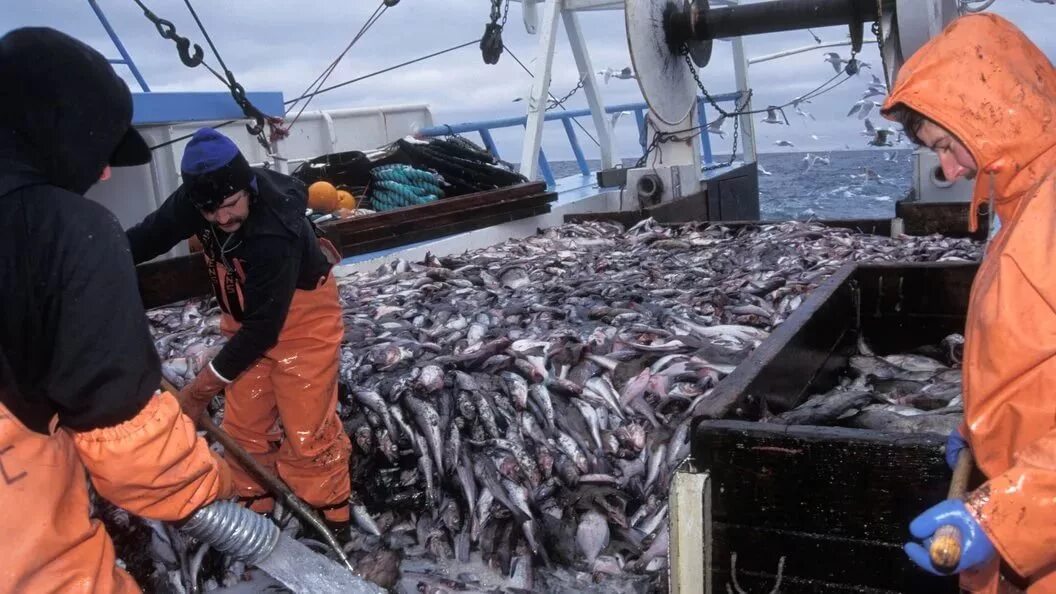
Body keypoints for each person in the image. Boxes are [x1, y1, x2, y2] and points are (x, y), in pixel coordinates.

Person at [0, 28, 233, 593]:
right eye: (98, 150)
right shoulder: (61, 227)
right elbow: (130, 449)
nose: (104, 173)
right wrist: (213, 487)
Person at [881, 13, 1056, 593]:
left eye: (949, 145)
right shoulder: (1026, 204)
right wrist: (987, 428)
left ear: (996, 108)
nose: (951, 170)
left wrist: (999, 521)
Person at [126, 128, 354, 531]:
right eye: (211, 213)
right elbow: (145, 239)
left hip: (303, 322)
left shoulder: (274, 229)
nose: (223, 218)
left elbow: (263, 330)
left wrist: (197, 393)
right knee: (243, 423)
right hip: (246, 317)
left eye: (231, 205)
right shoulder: (199, 202)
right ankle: (255, 506)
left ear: (247, 187)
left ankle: (331, 516)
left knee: (307, 428)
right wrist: (86, 263)